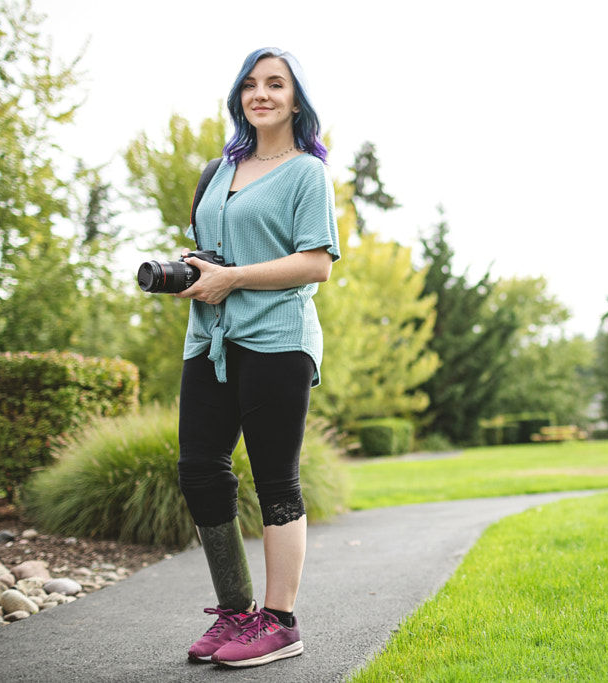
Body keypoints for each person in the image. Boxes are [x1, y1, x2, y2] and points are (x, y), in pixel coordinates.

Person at [174, 47, 339, 669]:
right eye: (250, 84)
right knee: (199, 470)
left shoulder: (306, 174)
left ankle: (281, 620)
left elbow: (316, 263)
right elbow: (213, 250)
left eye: (276, 84)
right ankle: (238, 611)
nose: (261, 93)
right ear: (238, 97)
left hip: (276, 338)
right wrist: (197, 275)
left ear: (297, 99)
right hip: (209, 338)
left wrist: (233, 278)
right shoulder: (219, 169)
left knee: (275, 481)